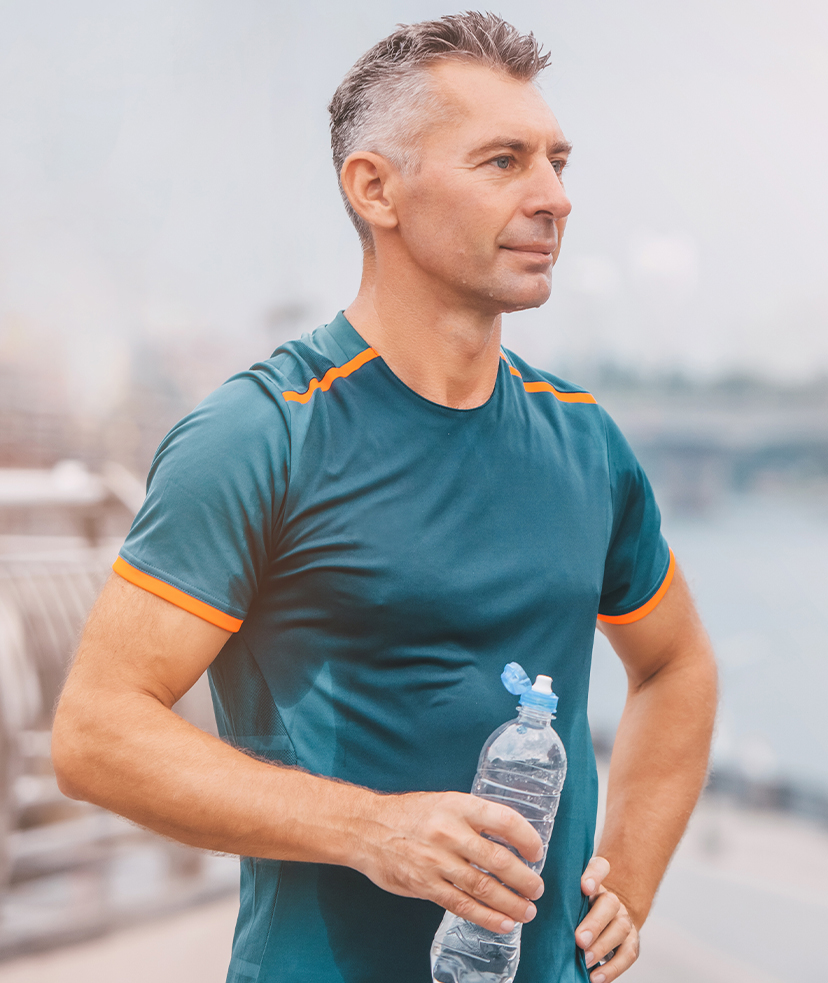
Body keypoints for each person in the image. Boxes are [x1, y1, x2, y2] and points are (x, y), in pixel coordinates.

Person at [52, 12, 717, 983]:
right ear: (376, 189)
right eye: (503, 161)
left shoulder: (586, 441)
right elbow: (97, 731)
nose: (554, 198)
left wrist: (632, 879)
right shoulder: (263, 433)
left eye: (557, 162)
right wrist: (374, 828)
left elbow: (677, 665)